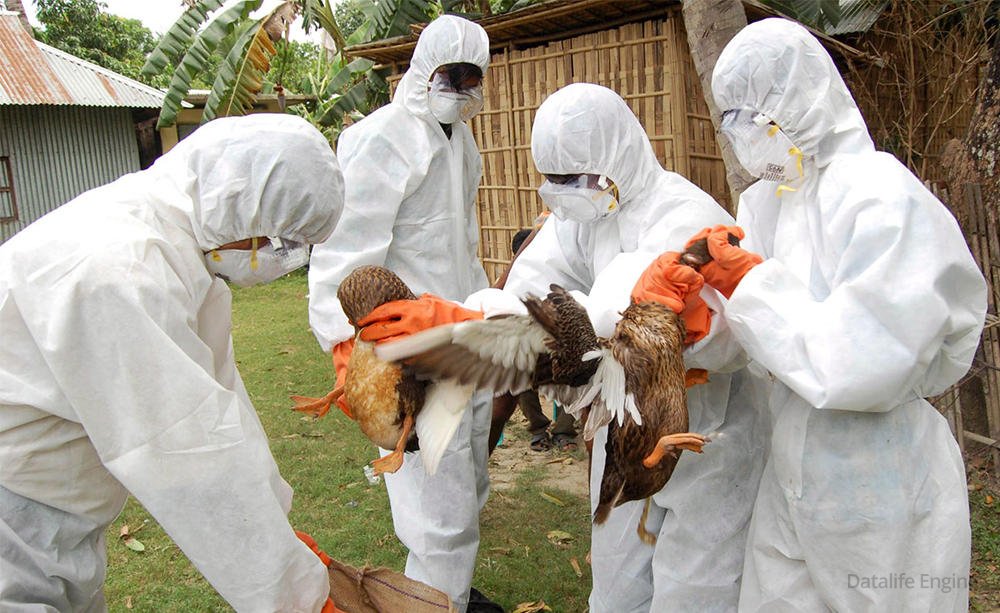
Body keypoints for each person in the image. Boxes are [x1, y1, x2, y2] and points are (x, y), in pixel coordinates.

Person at [360, 83, 769, 611]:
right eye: (553, 181)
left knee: (695, 590)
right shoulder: (587, 214)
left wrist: (483, 328)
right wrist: (473, 317)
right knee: (617, 589)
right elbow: (533, 288)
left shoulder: (682, 212)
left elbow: (614, 316)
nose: (563, 192)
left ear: (616, 157)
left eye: (574, 179)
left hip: (709, 432)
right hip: (625, 427)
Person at [0, 115, 346, 611]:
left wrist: (282, 529)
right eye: (279, 242)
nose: (281, 258)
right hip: (14, 521)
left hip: (57, 515)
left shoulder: (182, 254)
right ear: (237, 205)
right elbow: (190, 458)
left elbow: (226, 412)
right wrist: (295, 595)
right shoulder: (122, 272)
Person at [699, 18, 987, 611]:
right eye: (730, 122)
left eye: (753, 117)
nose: (744, 137)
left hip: (883, 484)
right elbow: (749, 340)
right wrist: (690, 310)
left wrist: (749, 285)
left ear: (799, 98)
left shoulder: (880, 194)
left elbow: (863, 361)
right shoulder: (766, 203)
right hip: (790, 470)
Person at [305, 15, 500, 613]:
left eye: (474, 77)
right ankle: (434, 602)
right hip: (409, 349)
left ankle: (445, 595)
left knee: (468, 484)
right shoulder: (382, 137)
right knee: (436, 509)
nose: (462, 87)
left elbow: (459, 245)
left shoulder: (457, 138)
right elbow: (344, 256)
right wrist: (353, 353)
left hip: (462, 336)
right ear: (423, 69)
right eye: (451, 73)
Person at [491, 226, 580, 453]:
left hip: (560, 333)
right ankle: (539, 429)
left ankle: (563, 431)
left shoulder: (561, 258)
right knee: (520, 380)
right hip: (525, 334)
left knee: (570, 375)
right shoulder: (511, 280)